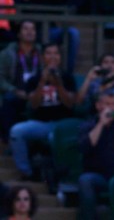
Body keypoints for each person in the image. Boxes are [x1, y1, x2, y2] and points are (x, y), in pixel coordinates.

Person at [9, 43, 76, 179]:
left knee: (54, 138)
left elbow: (70, 104)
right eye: (48, 53)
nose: (52, 56)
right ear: (42, 57)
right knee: (16, 131)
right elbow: (33, 105)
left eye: (56, 53)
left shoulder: (68, 77)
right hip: (41, 123)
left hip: (63, 124)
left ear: (60, 57)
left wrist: (59, 85)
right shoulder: (34, 79)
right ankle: (27, 172)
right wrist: (42, 82)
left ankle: (58, 174)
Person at [77, 92, 114, 220]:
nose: (111, 108)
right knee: (85, 181)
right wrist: (101, 123)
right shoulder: (88, 125)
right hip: (96, 174)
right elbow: (85, 147)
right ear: (98, 106)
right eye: (107, 104)